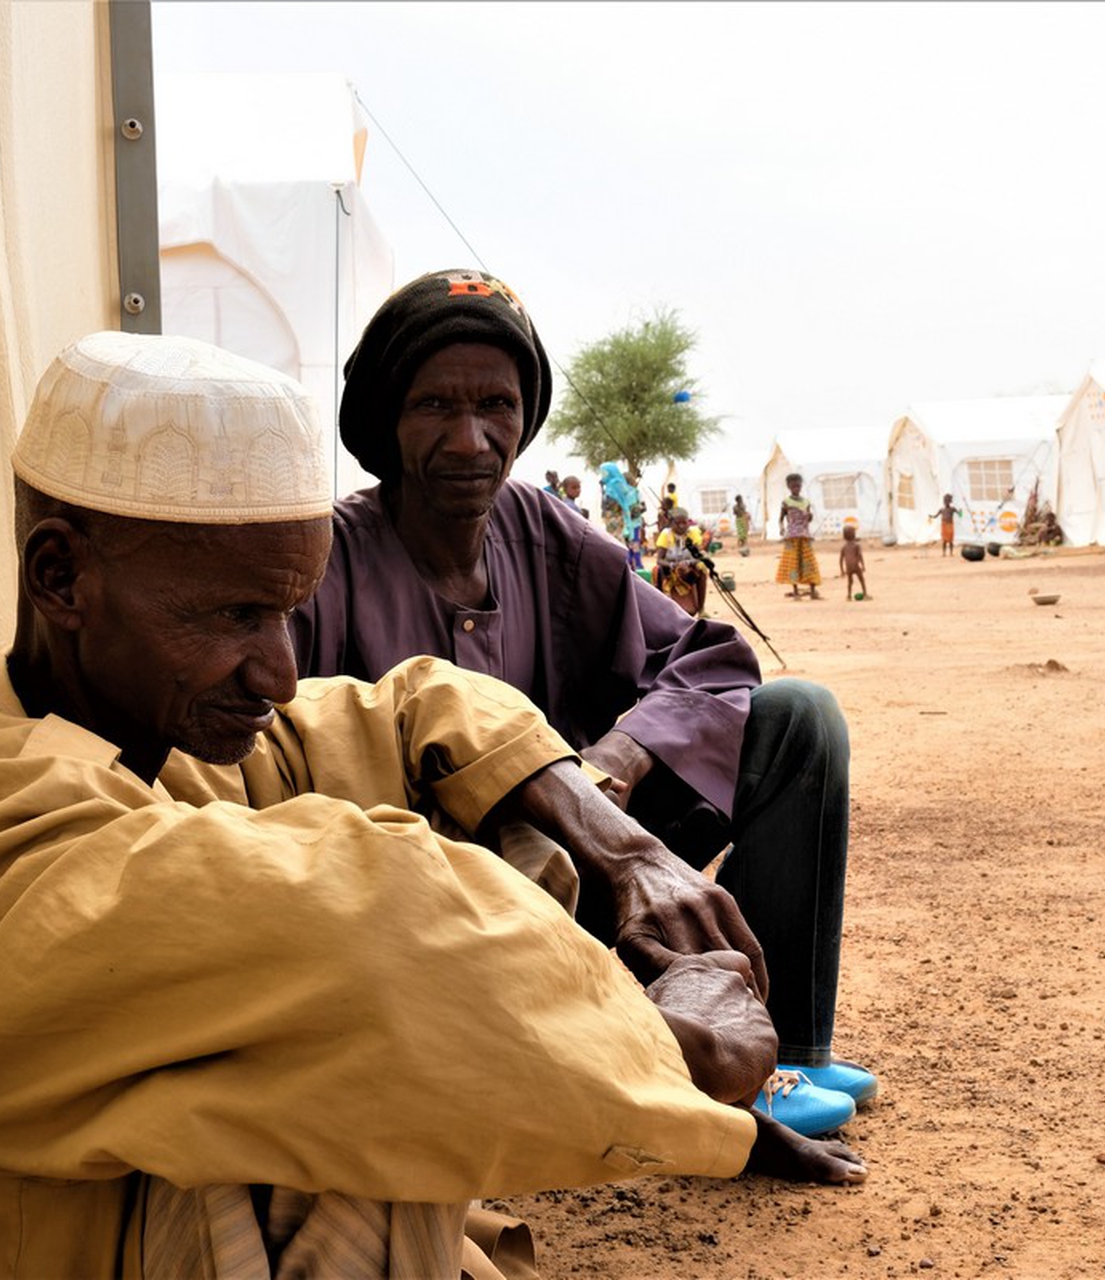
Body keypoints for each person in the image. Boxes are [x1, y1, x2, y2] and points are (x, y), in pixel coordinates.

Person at [0, 332, 861, 1279]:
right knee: (326, 1110)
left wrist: (624, 846)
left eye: (292, 614)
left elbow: (406, 703)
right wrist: (660, 1040)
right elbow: (371, 943)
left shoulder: (151, 734)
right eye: (236, 615)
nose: (276, 668)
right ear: (62, 576)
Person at [293, 269, 878, 1138]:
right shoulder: (331, 559)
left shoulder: (546, 532)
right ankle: (635, 1042)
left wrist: (615, 761)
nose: (470, 439)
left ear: (526, 419)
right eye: (434, 407)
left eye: (496, 405)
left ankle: (780, 1048)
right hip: (440, 920)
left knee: (799, 718)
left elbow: (707, 659)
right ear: (386, 420)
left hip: (592, 868)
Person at [653, 505, 710, 617]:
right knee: (658, 571)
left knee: (702, 569)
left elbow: (698, 556)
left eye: (685, 523)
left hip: (688, 568)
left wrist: (689, 563)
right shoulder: (666, 535)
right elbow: (659, 560)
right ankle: (664, 606)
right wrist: (673, 565)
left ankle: (701, 608)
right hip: (670, 570)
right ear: (671, 523)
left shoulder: (692, 533)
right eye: (678, 523)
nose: (682, 526)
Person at [775, 472, 822, 599]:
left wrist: (810, 517)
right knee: (793, 564)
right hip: (792, 537)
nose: (796, 488)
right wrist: (781, 528)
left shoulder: (806, 502)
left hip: (805, 536)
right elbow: (780, 519)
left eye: (798, 485)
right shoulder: (786, 502)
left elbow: (809, 518)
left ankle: (812, 591)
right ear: (789, 486)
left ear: (801, 486)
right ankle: (795, 592)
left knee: (809, 563)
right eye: (793, 486)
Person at [839, 519, 869, 601]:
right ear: (854, 535)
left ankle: (849, 596)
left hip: (848, 567)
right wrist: (863, 566)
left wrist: (842, 570)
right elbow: (860, 556)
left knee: (850, 582)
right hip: (856, 566)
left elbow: (841, 559)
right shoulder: (856, 545)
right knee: (861, 579)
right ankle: (865, 594)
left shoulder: (844, 547)